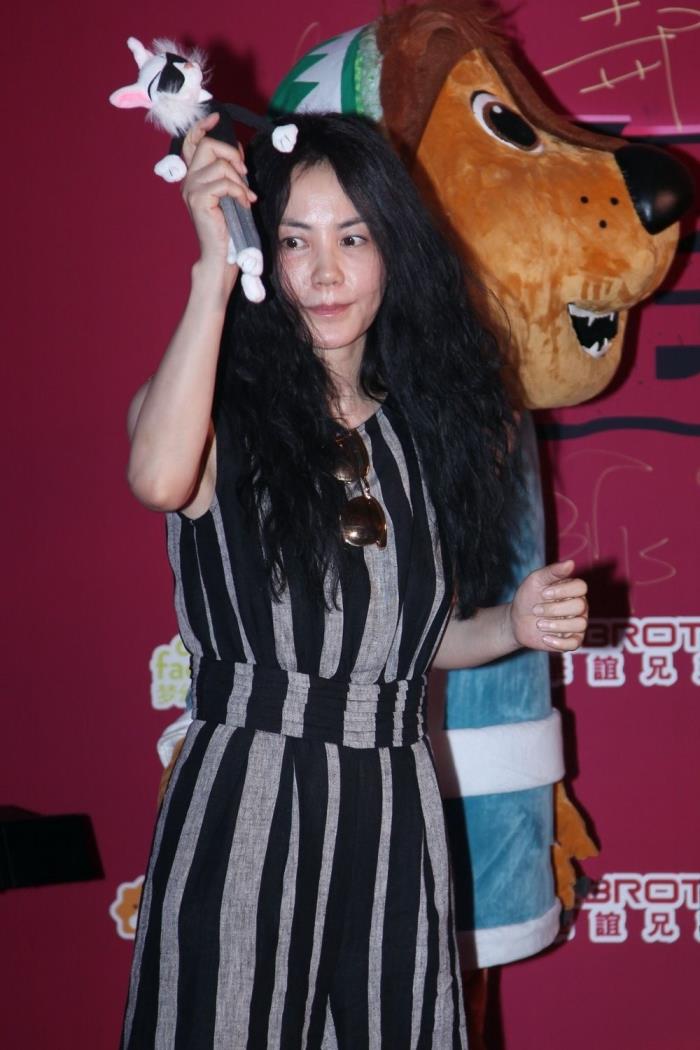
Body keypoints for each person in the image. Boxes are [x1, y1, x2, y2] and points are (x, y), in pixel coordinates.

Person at [120, 112, 588, 1050]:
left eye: (354, 238)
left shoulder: (427, 431)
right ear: (261, 251)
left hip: (393, 806)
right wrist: (212, 270)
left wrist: (513, 623)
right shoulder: (212, 406)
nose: (326, 273)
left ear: (394, 253)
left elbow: (406, 641)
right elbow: (158, 479)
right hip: (250, 795)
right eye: (294, 240)